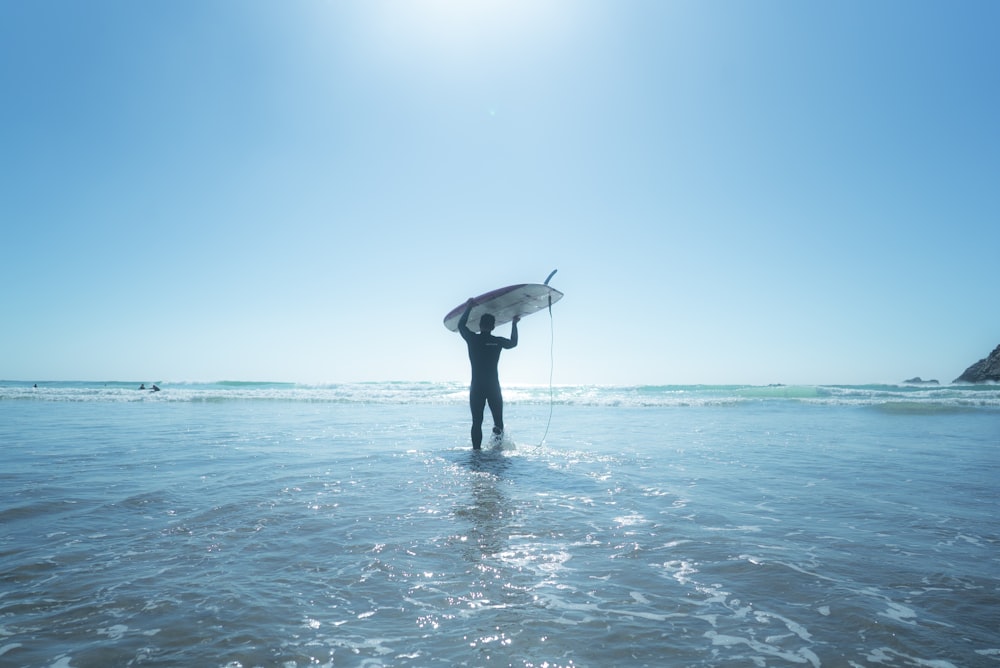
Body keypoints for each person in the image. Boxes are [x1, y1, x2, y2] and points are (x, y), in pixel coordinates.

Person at [457, 298, 519, 449]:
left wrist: (468, 307)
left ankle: (476, 452)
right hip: (493, 387)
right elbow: (513, 342)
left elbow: (461, 326)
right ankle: (497, 451)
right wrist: (514, 324)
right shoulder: (497, 341)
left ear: (479, 325)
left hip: (477, 386)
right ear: (493, 326)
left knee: (477, 421)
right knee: (498, 421)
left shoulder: (473, 339)